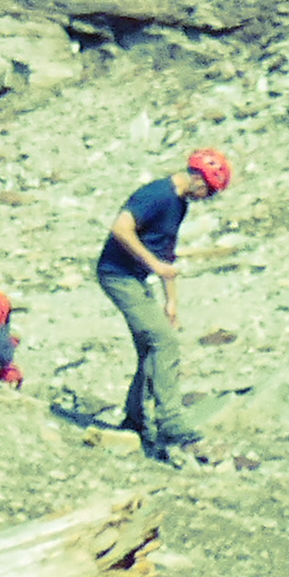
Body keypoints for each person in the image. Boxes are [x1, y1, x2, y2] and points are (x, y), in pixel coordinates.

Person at [97, 149, 234, 463]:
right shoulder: (157, 195)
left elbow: (166, 255)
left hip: (136, 278)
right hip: (117, 276)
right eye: (209, 191)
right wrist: (154, 266)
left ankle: (134, 421)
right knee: (165, 342)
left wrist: (171, 301)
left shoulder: (179, 204)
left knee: (151, 346)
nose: (206, 197)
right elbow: (120, 228)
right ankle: (171, 423)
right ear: (198, 177)